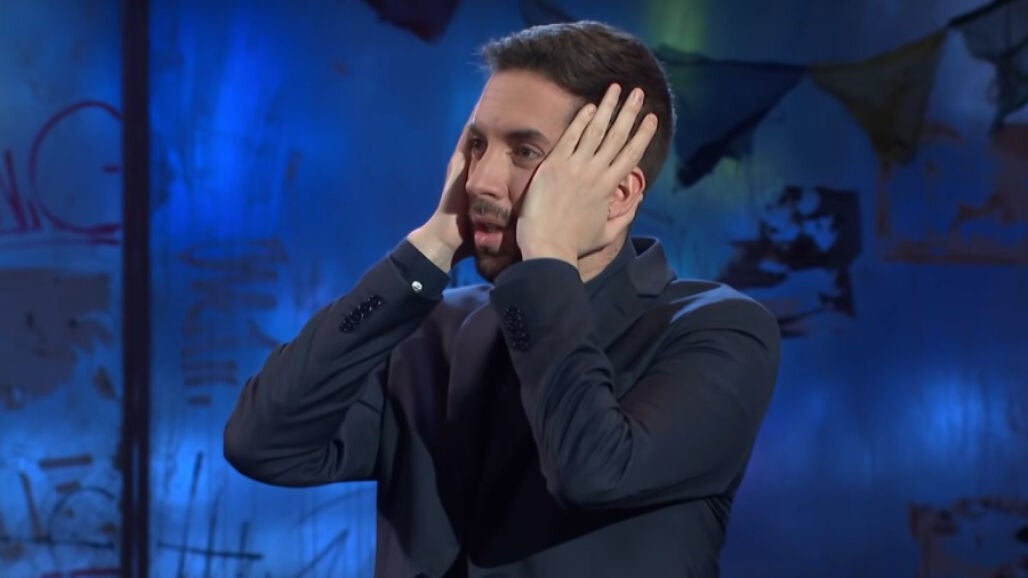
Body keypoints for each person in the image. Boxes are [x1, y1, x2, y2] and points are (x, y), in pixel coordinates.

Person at [224, 20, 780, 578]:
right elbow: (263, 443)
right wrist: (429, 248)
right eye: (476, 145)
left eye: (524, 151)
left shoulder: (718, 332)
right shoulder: (431, 328)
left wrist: (547, 257)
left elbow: (592, 471)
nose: (479, 181)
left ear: (617, 193)